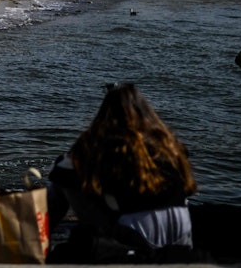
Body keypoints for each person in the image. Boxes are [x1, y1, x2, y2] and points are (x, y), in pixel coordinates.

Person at [49, 83, 197, 257]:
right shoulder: (168, 144)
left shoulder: (104, 142)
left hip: (138, 238)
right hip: (182, 237)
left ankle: (37, 236)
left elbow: (60, 173)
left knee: (64, 180)